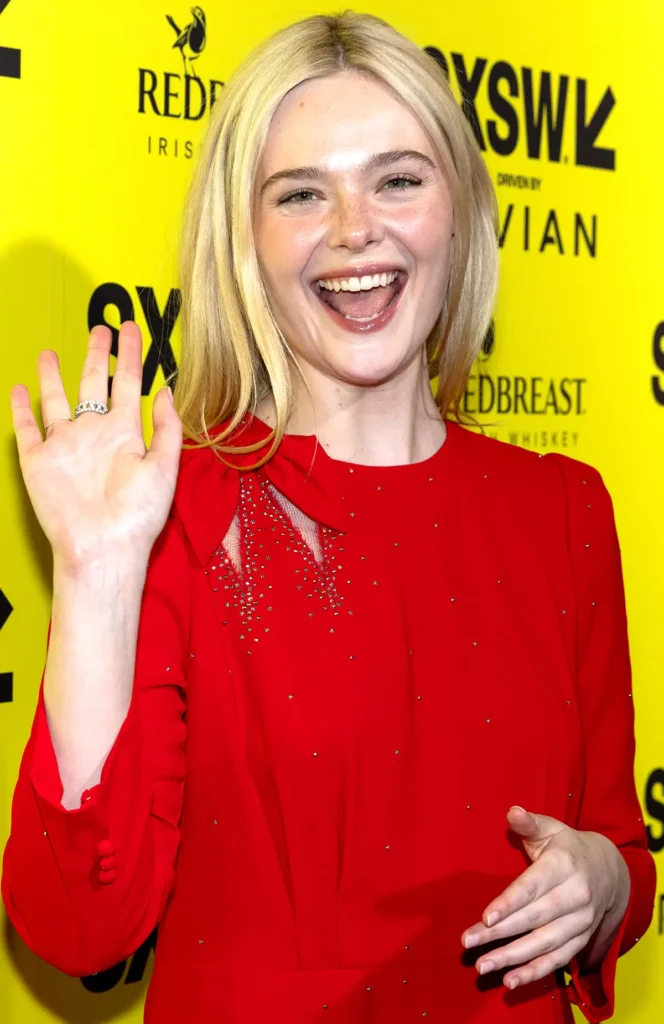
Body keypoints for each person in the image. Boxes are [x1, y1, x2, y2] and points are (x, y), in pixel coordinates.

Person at [2, 11, 655, 1024]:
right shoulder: (175, 512)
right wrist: (94, 576)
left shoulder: (563, 511)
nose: (356, 228)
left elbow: (616, 844)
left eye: (398, 179)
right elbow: (82, 927)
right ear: (246, 243)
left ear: (459, 211)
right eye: (301, 193)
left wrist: (605, 884)